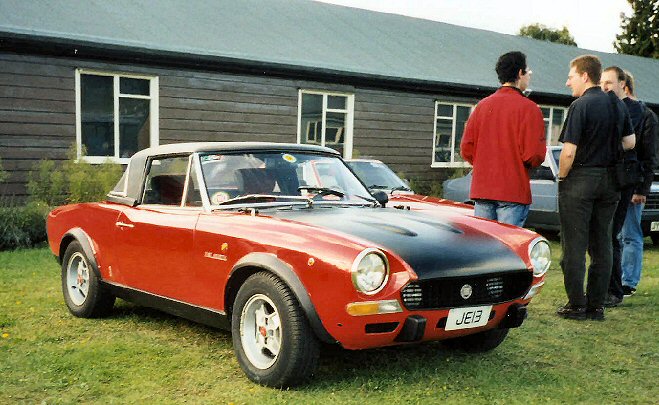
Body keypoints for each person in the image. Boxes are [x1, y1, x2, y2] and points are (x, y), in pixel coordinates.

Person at [556, 55, 635, 321]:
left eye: (571, 76)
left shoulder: (580, 105)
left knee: (575, 245)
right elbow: (630, 142)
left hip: (581, 178)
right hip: (610, 181)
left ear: (585, 76)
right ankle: (597, 306)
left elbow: (568, 152)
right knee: (603, 244)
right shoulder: (617, 104)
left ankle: (576, 305)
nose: (568, 82)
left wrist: (562, 177)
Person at [460, 51, 546, 227]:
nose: (529, 76)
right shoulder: (530, 109)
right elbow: (533, 155)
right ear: (520, 73)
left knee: (483, 247)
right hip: (513, 190)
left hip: (483, 189)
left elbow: (466, 148)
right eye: (527, 72)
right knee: (508, 248)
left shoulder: (482, 106)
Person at [599, 66, 643, 308]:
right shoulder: (606, 106)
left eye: (610, 82)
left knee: (615, 235)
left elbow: (632, 145)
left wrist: (641, 188)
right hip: (607, 177)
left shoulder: (634, 110)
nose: (605, 87)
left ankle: (615, 289)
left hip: (623, 178)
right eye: (602, 82)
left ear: (622, 84)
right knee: (607, 235)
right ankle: (606, 287)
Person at [619, 71, 658, 298]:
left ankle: (629, 282)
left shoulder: (646, 115)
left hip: (634, 184)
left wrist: (641, 189)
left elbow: (649, 156)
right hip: (617, 184)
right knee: (618, 236)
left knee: (631, 235)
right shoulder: (618, 111)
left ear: (625, 86)